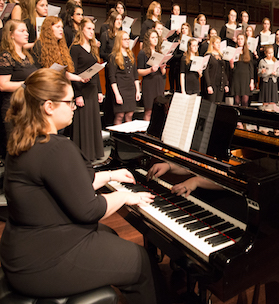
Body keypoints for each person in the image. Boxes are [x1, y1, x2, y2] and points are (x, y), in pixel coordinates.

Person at [0, 68, 169, 303]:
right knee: (141, 261)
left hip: (22, 250)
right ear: (49, 106)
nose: (74, 106)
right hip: (44, 262)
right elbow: (89, 210)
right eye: (69, 102)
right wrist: (126, 197)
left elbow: (69, 184)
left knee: (109, 234)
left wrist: (109, 176)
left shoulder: (25, 141)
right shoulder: (56, 148)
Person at [0, 20, 37, 161]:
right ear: (11, 35)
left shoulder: (27, 56)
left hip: (28, 106)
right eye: (21, 31)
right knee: (16, 150)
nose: (26, 33)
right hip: (13, 108)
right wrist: (26, 84)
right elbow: (3, 85)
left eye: (26, 31)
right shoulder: (6, 56)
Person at [70, 18, 104, 161]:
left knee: (93, 122)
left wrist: (99, 91)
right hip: (81, 90)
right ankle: (83, 155)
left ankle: (94, 154)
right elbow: (73, 71)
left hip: (92, 89)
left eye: (92, 29)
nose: (91, 31)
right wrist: (77, 95)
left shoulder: (93, 48)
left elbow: (95, 70)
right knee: (83, 124)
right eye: (89, 29)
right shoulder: (75, 48)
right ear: (81, 30)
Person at [31, 16, 83, 83]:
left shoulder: (61, 46)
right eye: (57, 27)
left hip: (59, 83)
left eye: (61, 27)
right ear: (49, 29)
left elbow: (64, 73)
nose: (61, 29)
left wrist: (80, 78)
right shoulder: (39, 45)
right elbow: (36, 71)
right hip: (45, 84)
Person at [108, 31, 140, 124]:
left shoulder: (131, 55)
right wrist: (117, 94)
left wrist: (138, 90)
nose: (127, 41)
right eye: (125, 39)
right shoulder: (114, 56)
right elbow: (112, 77)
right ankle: (117, 137)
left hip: (131, 88)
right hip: (120, 89)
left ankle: (127, 137)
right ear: (119, 41)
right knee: (120, 115)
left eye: (128, 39)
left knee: (129, 114)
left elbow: (135, 75)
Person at [137, 29, 166, 121]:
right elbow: (139, 71)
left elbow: (164, 72)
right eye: (152, 37)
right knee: (149, 110)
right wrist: (150, 69)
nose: (155, 39)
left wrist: (162, 68)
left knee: (159, 109)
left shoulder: (160, 52)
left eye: (156, 37)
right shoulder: (143, 53)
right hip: (149, 82)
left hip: (159, 81)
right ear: (148, 39)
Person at [230, 33, 254, 107]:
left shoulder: (248, 52)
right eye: (239, 39)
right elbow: (232, 69)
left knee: (245, 101)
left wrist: (252, 81)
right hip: (236, 78)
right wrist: (231, 64)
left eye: (242, 39)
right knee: (236, 101)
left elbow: (251, 68)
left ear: (244, 41)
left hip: (246, 78)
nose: (240, 41)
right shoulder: (233, 51)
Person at [203, 36, 228, 103]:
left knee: (219, 104)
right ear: (212, 44)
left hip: (220, 84)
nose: (219, 44)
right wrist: (208, 85)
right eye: (217, 43)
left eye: (219, 43)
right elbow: (206, 71)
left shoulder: (221, 56)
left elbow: (224, 71)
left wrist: (226, 84)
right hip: (212, 84)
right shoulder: (208, 55)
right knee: (211, 105)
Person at [169, 22, 191, 92]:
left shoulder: (192, 41)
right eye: (182, 28)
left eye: (186, 28)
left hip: (188, 68)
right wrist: (183, 54)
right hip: (177, 67)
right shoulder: (177, 40)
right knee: (178, 88)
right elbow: (173, 55)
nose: (184, 30)